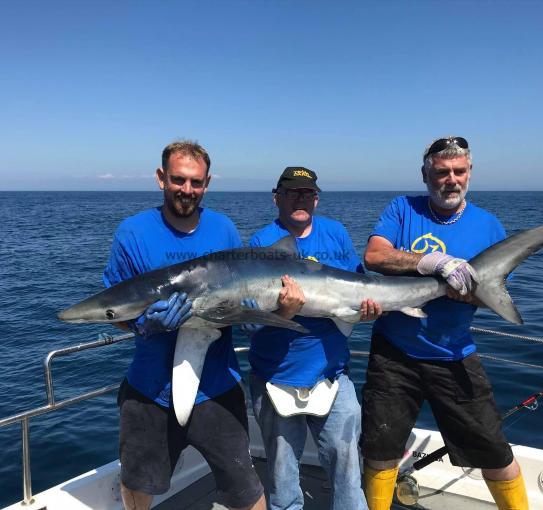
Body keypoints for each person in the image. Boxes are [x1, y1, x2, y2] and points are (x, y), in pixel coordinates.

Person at [359, 136, 529, 510]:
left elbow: (491, 294)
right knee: (380, 449)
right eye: (441, 172)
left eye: (459, 171)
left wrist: (467, 290)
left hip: (454, 352)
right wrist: (431, 263)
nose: (450, 179)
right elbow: (374, 255)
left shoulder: (488, 225)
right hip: (393, 352)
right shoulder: (402, 208)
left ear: (469, 173)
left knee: (494, 453)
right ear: (425, 174)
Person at [103, 140, 266, 510]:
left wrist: (251, 316)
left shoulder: (224, 229)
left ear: (207, 182)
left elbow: (239, 293)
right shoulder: (132, 232)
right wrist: (142, 324)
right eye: (178, 180)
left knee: (246, 489)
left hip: (217, 385)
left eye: (196, 182)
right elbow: (114, 311)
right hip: (149, 389)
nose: (186, 190)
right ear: (161, 177)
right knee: (138, 485)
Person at [245, 166, 381, 510]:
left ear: (317, 198)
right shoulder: (261, 243)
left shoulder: (335, 233)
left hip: (333, 373)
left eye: (307, 193)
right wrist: (284, 313)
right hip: (276, 376)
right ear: (277, 198)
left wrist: (366, 310)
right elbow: (249, 321)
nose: (300, 199)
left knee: (349, 474)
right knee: (282, 480)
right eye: (292, 193)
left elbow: (357, 285)